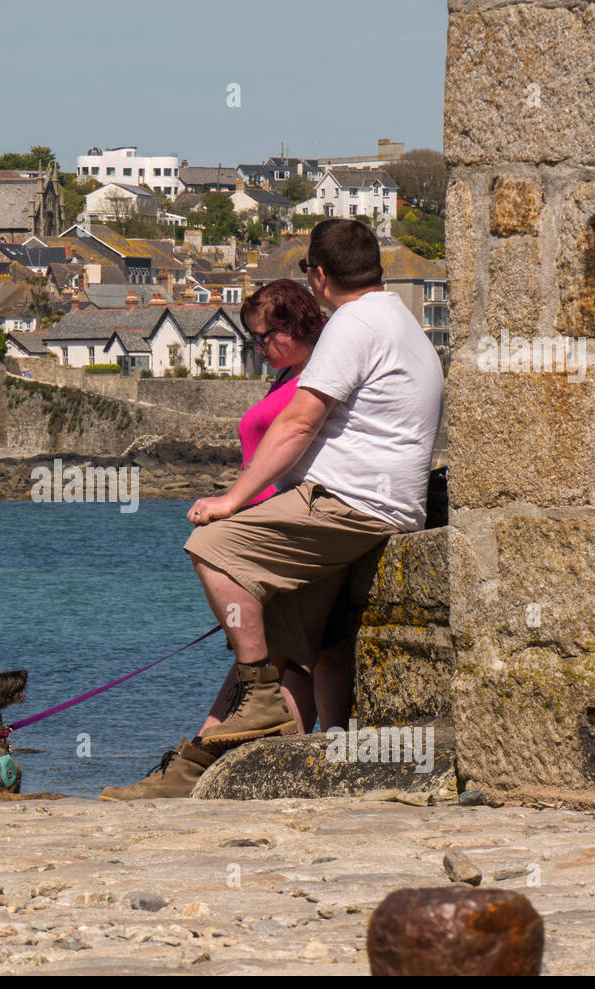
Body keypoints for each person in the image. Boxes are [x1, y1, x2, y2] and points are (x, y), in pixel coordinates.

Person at [181, 219, 444, 766]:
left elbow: (300, 423)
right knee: (289, 647)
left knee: (212, 548)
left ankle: (257, 702)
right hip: (379, 502)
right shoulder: (400, 319)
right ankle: (279, 761)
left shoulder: (353, 324)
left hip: (349, 504)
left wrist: (230, 501)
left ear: (318, 275)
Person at [99, 279, 354, 801]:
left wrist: (235, 508)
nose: (258, 348)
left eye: (264, 337)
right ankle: (210, 764)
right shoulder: (289, 371)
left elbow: (301, 444)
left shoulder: (321, 374)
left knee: (273, 669)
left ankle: (197, 767)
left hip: (281, 535)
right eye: (252, 339)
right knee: (273, 667)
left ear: (296, 325)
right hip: (264, 525)